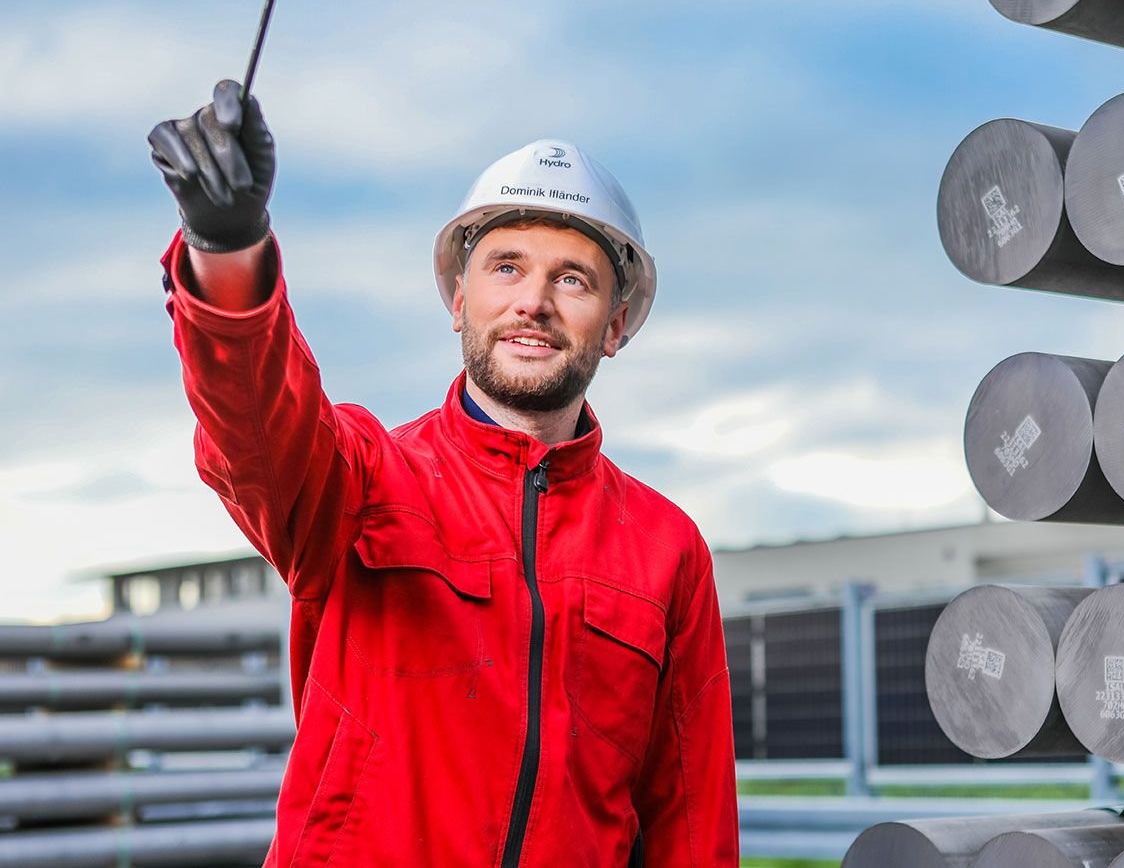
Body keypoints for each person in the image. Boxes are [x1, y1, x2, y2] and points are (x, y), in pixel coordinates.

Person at [148, 80, 739, 867]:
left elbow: (691, 820)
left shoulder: (668, 551)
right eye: (506, 267)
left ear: (616, 323)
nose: (534, 302)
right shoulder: (366, 480)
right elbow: (254, 423)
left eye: (573, 278)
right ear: (460, 299)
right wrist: (228, 250)